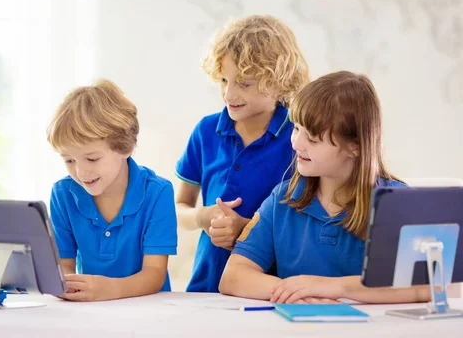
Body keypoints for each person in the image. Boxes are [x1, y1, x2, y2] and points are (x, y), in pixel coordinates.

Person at [218, 71, 430, 304]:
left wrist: (332, 287)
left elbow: (427, 287)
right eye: (297, 129)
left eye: (314, 138)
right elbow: (233, 277)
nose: (297, 143)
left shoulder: (397, 203)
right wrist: (296, 292)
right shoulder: (282, 199)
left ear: (355, 147)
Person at [175, 15, 310, 292]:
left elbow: (304, 230)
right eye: (224, 80)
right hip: (206, 288)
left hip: (269, 291)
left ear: (278, 81)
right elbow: (179, 208)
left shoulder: (299, 139)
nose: (229, 94)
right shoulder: (206, 131)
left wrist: (247, 230)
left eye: (244, 83)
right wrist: (201, 217)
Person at [47, 79, 177, 301]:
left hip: (151, 312)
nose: (81, 172)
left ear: (125, 146)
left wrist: (108, 290)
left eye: (92, 158)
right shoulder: (62, 195)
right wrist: (67, 285)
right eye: (69, 160)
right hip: (90, 314)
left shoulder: (158, 192)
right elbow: (63, 266)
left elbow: (154, 274)